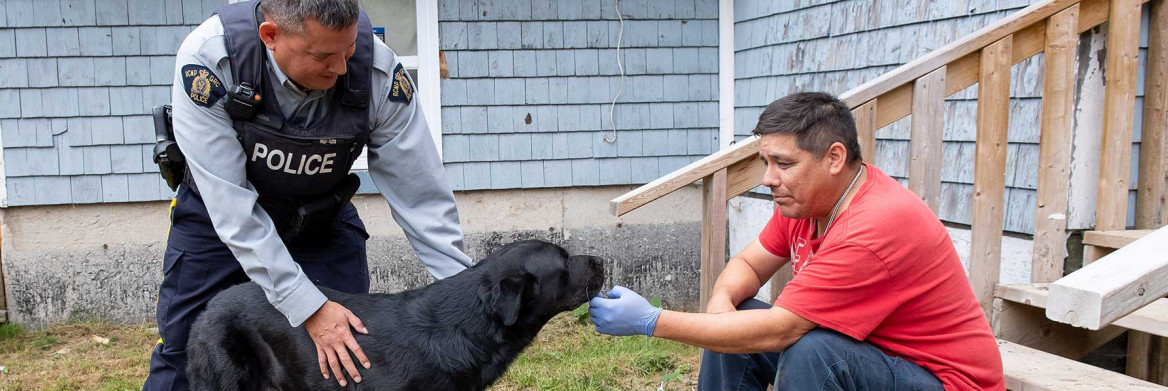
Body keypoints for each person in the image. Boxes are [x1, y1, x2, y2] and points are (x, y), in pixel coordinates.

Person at [143, 1, 473, 389]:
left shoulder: (378, 72)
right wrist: (309, 308)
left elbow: (421, 196)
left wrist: (465, 294)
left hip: (319, 220)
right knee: (185, 350)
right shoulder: (212, 61)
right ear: (271, 36)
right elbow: (234, 210)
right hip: (219, 221)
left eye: (348, 50)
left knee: (346, 356)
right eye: (324, 56)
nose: (343, 68)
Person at [589, 92, 1005, 391]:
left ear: (835, 158)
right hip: (877, 362)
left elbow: (780, 330)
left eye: (783, 163)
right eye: (766, 162)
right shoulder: (807, 204)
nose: (769, 178)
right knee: (740, 316)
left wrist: (651, 322)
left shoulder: (874, 226)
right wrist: (721, 311)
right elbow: (748, 268)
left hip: (943, 381)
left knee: (815, 352)